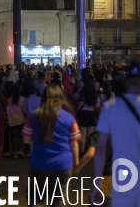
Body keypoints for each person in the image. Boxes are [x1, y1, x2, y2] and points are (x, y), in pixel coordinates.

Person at [23, 84, 81, 207]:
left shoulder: (34, 116)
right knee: (58, 200)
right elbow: (74, 144)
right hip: (63, 164)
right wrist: (76, 162)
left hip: (40, 163)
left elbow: (27, 139)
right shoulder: (69, 118)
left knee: (36, 200)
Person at [92, 62, 140, 206]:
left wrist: (97, 183)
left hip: (124, 174)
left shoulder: (110, 107)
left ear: (126, 81)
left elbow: (100, 148)